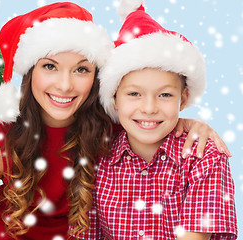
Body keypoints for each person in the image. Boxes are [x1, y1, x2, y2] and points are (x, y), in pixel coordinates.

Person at [0, 2, 231, 240]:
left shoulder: (110, 128)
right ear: (30, 72)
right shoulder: (1, 138)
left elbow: (149, 113)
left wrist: (189, 122)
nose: (65, 85)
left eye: (81, 69)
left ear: (98, 78)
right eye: (49, 66)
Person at [78, 1, 238, 239]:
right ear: (114, 98)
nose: (149, 108)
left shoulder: (204, 157)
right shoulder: (97, 158)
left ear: (183, 99)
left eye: (164, 95)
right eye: (134, 94)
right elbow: (87, 234)